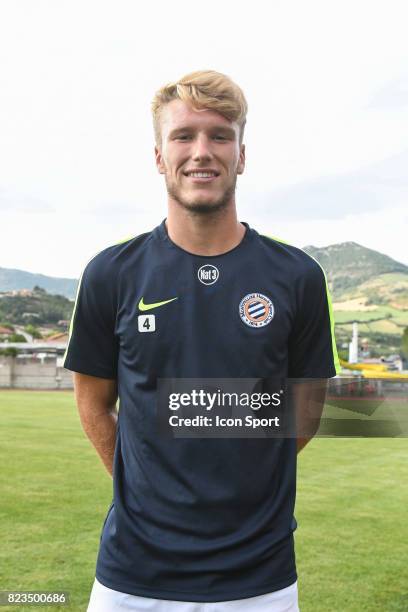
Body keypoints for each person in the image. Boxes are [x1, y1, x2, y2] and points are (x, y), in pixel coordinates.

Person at [63, 70, 340, 611]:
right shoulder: (111, 274)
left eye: (220, 136)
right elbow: (94, 402)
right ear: (159, 157)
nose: (202, 152)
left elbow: (303, 414)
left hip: (260, 579)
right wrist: (144, 490)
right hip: (132, 578)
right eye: (183, 136)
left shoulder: (298, 276)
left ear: (241, 155)